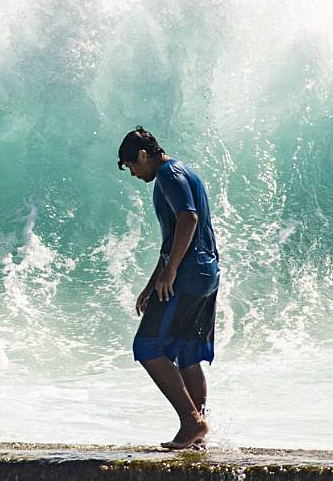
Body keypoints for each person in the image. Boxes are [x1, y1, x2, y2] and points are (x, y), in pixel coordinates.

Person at [117, 126, 220, 450]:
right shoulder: (184, 171)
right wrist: (153, 283)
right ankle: (197, 436)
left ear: (144, 155)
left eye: (132, 165)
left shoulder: (167, 175)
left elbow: (187, 219)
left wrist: (171, 271)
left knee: (148, 347)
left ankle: (191, 421)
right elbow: (176, 234)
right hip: (206, 273)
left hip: (188, 275)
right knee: (188, 354)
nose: (133, 173)